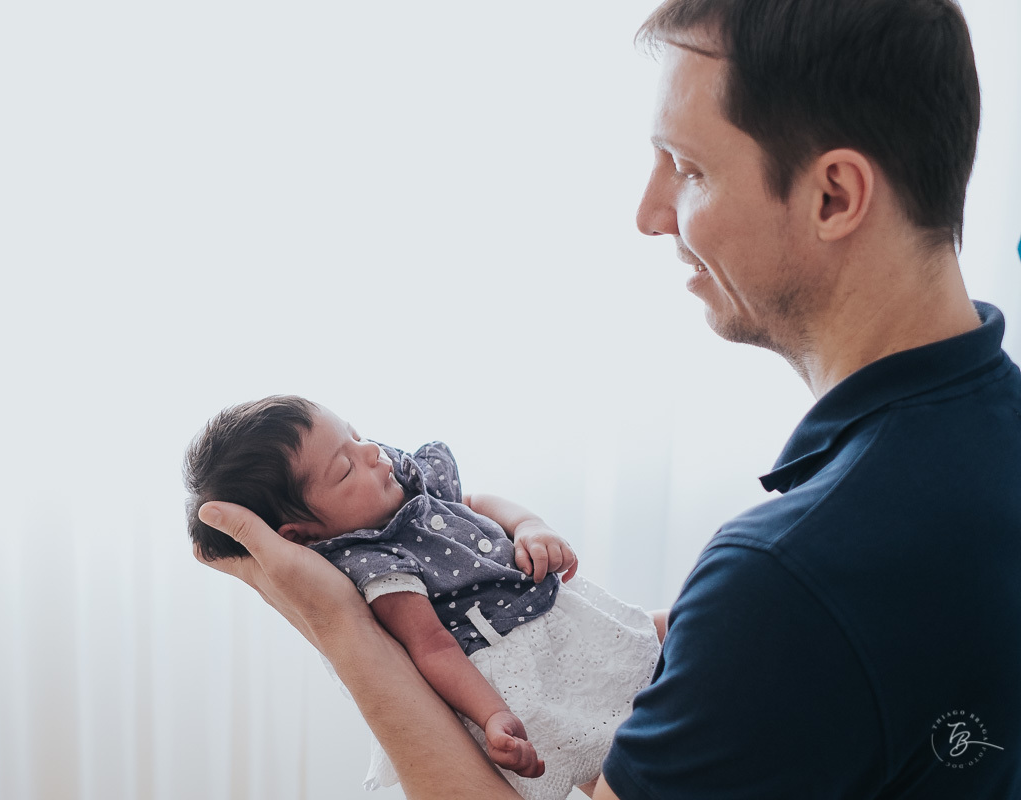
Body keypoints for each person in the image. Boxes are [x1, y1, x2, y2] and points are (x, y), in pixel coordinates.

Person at [193, 0, 1021, 797]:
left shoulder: (787, 580)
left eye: (688, 168)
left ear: (833, 196)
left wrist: (344, 632)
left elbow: (793, 630)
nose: (650, 213)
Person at [183, 396, 662, 800]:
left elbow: (472, 504)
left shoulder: (407, 484)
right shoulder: (378, 566)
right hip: (517, 669)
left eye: (356, 434)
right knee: (608, 759)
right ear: (301, 535)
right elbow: (432, 646)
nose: (371, 451)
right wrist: (493, 715)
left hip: (560, 616)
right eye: (346, 467)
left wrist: (530, 526)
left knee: (649, 652)